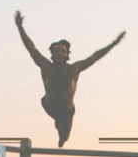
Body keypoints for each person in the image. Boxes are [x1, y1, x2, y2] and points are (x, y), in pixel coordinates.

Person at [14, 11, 125, 147]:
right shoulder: (45, 65)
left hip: (67, 112)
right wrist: (20, 28)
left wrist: (113, 44)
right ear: (52, 55)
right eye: (57, 51)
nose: (59, 53)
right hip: (49, 106)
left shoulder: (74, 68)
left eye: (62, 51)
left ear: (67, 55)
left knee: (65, 135)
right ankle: (59, 129)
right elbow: (31, 49)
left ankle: (62, 137)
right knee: (58, 123)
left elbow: (95, 56)